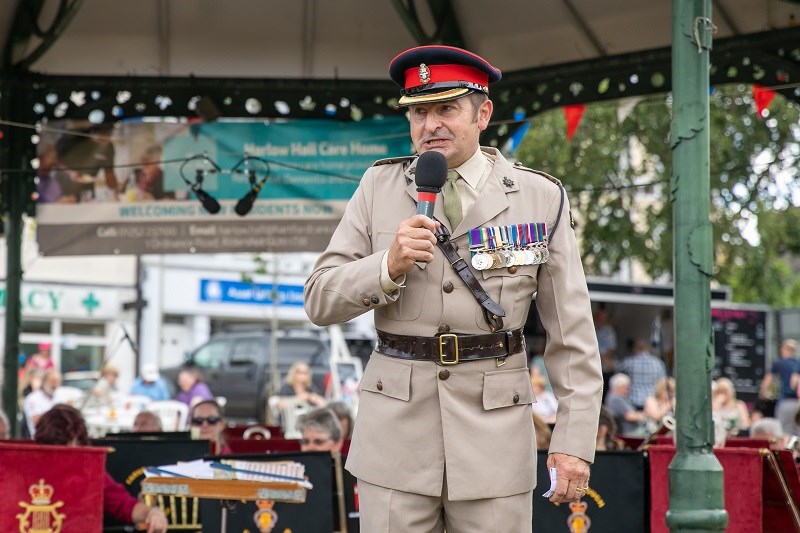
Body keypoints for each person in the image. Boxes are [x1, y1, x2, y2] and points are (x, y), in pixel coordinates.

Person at [304, 45, 602, 531]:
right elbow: (319, 298)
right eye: (419, 111)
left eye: (447, 108)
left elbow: (572, 336)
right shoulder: (377, 186)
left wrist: (573, 442)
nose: (431, 124)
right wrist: (387, 265)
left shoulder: (539, 196)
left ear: (483, 113)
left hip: (495, 440)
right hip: (394, 442)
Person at [34, 405, 168, 532]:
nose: (72, 455)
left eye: (78, 445)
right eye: (64, 447)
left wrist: (151, 512)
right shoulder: (25, 470)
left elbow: (125, 505)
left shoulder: (90, 472)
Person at [760, 339, 800, 436]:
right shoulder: (797, 363)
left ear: (783, 349)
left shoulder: (779, 363)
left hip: (785, 401)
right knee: (796, 431)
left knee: (782, 431)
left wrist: (762, 394)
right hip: (797, 403)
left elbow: (767, 380)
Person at [617, 338, 667, 409]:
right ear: (648, 348)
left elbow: (616, 371)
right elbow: (663, 382)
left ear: (634, 349)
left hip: (634, 401)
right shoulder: (658, 363)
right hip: (652, 401)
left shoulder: (629, 362)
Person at [23, 369, 62, 437]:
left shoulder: (58, 397)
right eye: (52, 382)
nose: (54, 385)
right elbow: (37, 420)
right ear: (45, 382)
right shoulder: (33, 398)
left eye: (57, 382)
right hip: (40, 438)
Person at [594, 308, 618, 393]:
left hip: (603, 362)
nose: (601, 320)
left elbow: (611, 348)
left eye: (604, 318)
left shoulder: (608, 331)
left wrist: (602, 358)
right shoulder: (590, 328)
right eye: (600, 318)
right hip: (592, 359)